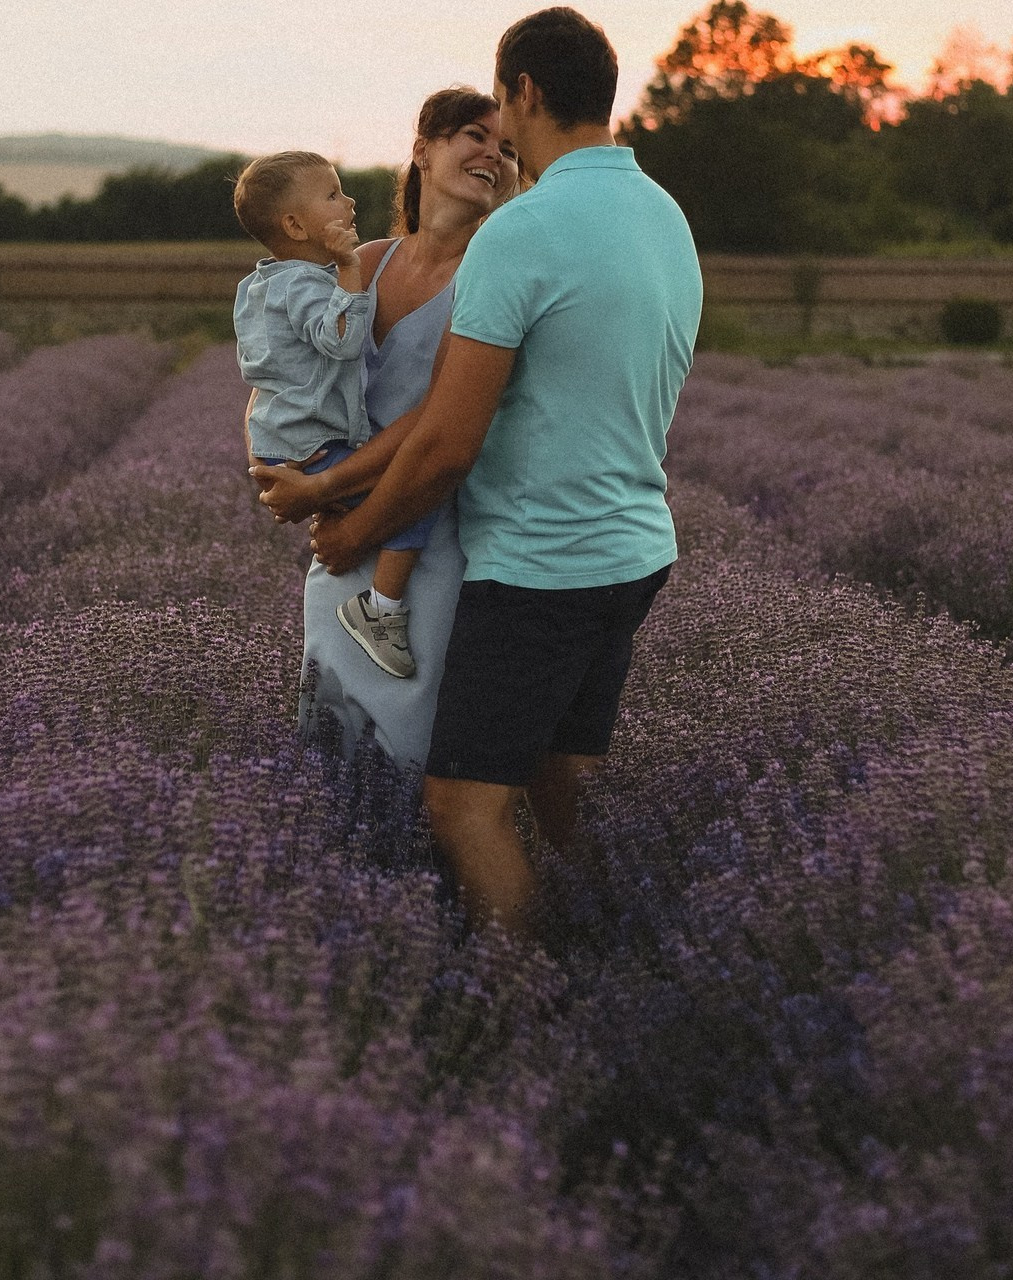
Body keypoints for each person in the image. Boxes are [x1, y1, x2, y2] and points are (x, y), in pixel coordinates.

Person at [258, 7, 704, 936]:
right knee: (561, 774)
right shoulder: (664, 213)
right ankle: (622, 954)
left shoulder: (524, 231)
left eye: (500, 104)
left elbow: (448, 442)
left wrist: (351, 528)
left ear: (526, 93)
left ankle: (524, 1010)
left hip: (541, 560)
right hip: (635, 547)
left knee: (461, 802)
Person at [250, 90, 519, 759]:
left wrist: (324, 488)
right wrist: (280, 468)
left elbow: (439, 419)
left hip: (424, 537)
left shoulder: (491, 281)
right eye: (473, 135)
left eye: (509, 147)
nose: (494, 153)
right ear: (422, 149)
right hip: (340, 533)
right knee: (327, 727)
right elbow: (281, 370)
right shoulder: (366, 262)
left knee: (400, 741)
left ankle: (399, 860)